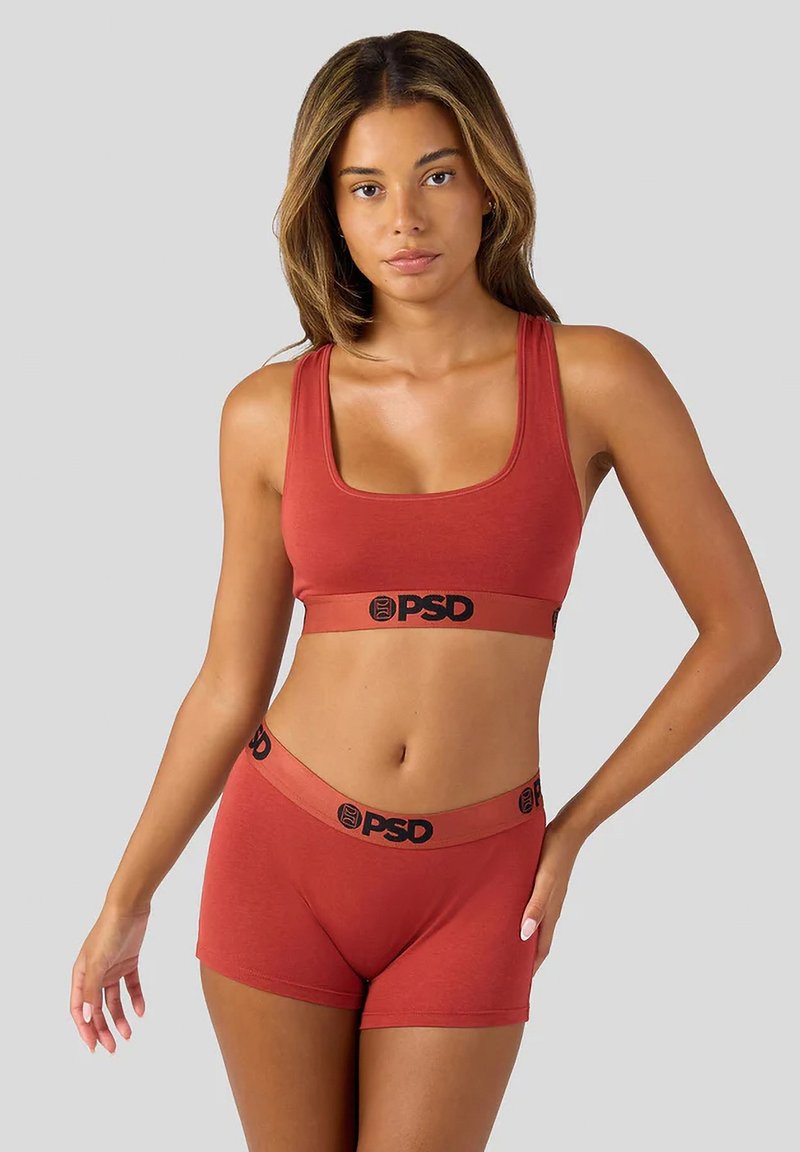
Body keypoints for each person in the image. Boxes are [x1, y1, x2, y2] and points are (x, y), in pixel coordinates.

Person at [70, 28, 781, 1152]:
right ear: (331, 211)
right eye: (367, 188)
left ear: (488, 184)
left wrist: (572, 831)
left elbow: (741, 635)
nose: (403, 218)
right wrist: (126, 897)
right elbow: (227, 684)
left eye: (435, 176)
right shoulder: (264, 411)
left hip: (478, 881)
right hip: (280, 857)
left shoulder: (596, 376)